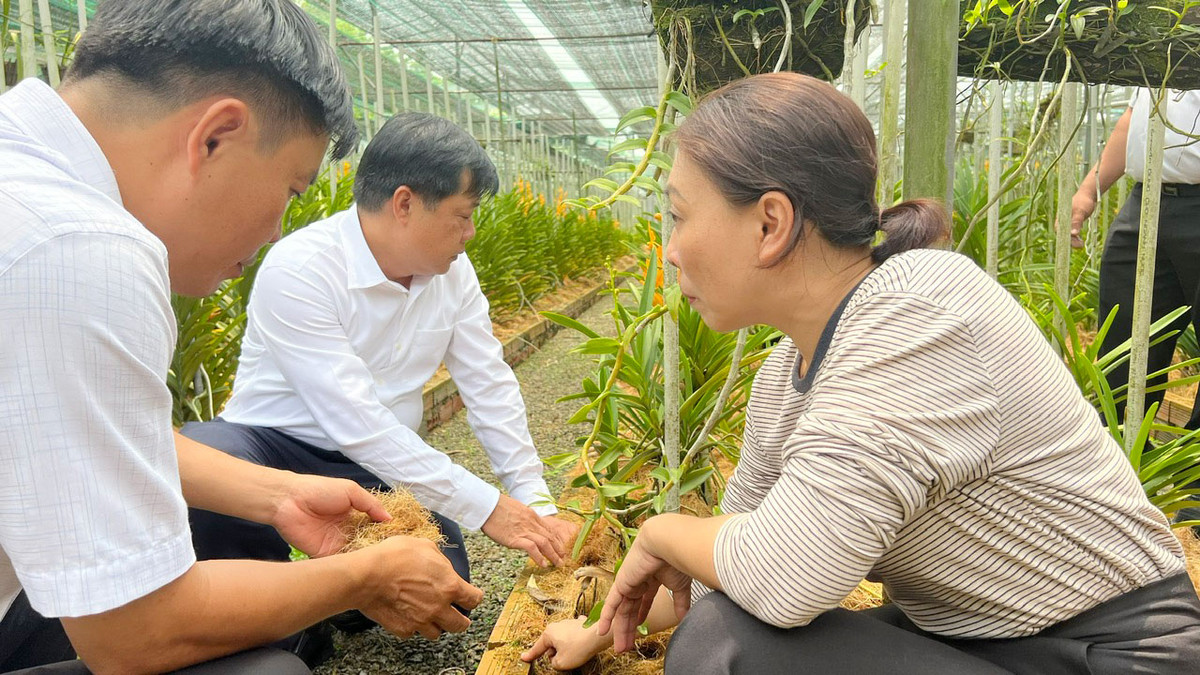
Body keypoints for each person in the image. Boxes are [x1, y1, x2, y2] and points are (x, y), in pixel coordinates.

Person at [521, 72, 1200, 674]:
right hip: (974, 639)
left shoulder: (920, 315)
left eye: (677, 214)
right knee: (723, 631)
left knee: (724, 648)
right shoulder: (786, 372)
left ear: (770, 223)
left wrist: (661, 529)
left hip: (1107, 651)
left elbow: (785, 575)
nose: (669, 251)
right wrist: (599, 631)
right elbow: (736, 566)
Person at [0, 2, 482, 674]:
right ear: (216, 136)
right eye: (290, 188)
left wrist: (279, 496)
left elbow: (86, 431)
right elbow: (136, 633)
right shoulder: (82, 250)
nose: (277, 231)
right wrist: (364, 576)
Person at [180, 112, 578, 598]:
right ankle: (271, 615)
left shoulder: (454, 275)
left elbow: (487, 384)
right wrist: (492, 510)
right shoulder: (303, 268)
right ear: (405, 203)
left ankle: (340, 598)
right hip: (275, 449)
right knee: (212, 458)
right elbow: (357, 421)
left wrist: (537, 502)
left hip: (379, 464)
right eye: (463, 214)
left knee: (446, 586)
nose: (470, 232)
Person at [1071, 89, 1200, 528]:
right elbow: (1131, 118)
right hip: (1145, 201)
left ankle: (1194, 488)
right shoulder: (1160, 32)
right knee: (1122, 343)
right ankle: (1118, 474)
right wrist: (1090, 189)